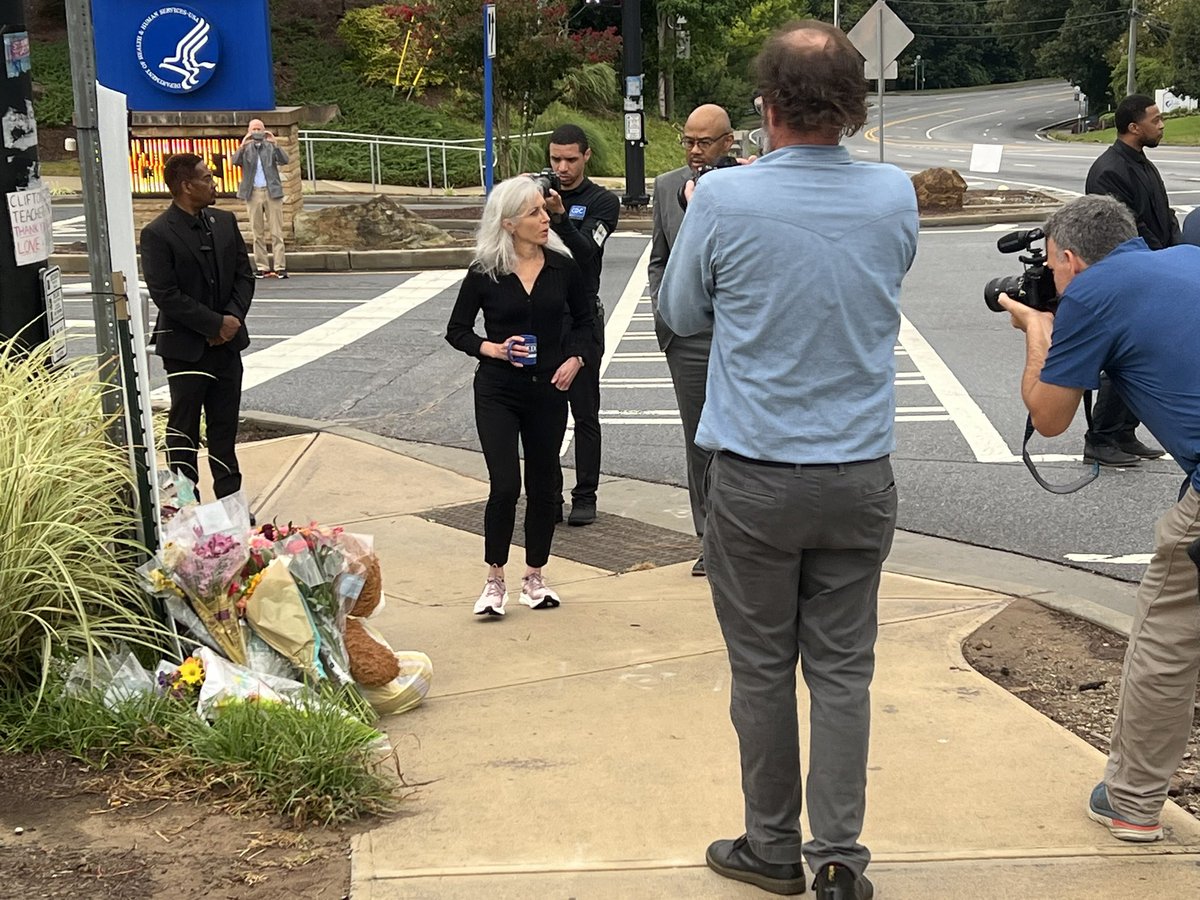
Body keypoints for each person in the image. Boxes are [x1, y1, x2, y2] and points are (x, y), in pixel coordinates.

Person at [659, 21, 918, 900]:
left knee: (762, 668)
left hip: (758, 474)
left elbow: (683, 313)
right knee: (843, 670)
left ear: (764, 108)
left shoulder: (725, 198)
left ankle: (771, 846)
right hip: (857, 472)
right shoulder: (893, 195)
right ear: (852, 105)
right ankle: (839, 856)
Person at [998, 194, 1200, 846]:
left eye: (1053, 268)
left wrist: (1038, 331)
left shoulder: (1091, 295)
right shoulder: (1187, 261)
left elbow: (1051, 417)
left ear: (1067, 258)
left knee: (1167, 646)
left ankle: (1132, 802)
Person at [445, 176, 596, 617]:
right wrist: (491, 348)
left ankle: (535, 576)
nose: (545, 218)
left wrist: (576, 359)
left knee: (544, 484)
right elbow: (457, 330)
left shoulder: (563, 267)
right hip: (497, 389)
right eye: (534, 213)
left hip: (550, 388)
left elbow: (587, 322)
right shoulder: (484, 271)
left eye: (543, 211)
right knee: (506, 484)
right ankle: (495, 580)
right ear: (509, 223)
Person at [648, 104, 736, 577]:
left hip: (740, 335)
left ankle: (742, 536)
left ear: (728, 142)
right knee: (699, 441)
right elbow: (658, 257)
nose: (696, 151)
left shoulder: (746, 184)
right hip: (689, 337)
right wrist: (665, 312)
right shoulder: (666, 187)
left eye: (705, 142)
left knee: (739, 442)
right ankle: (710, 540)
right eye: (688, 141)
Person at [141, 153, 255, 501]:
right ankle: (186, 508)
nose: (213, 183)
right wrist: (213, 323)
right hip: (186, 351)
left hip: (228, 347)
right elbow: (166, 294)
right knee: (183, 431)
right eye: (206, 178)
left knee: (224, 430)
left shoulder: (224, 222)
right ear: (186, 186)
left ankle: (230, 506)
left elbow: (243, 275)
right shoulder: (157, 234)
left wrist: (231, 320)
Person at [1081, 95, 1180, 466]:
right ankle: (1100, 437)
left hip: (1155, 268)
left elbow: (1162, 215)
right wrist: (1160, 260)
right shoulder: (1109, 170)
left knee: (1146, 353)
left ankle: (1124, 431)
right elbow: (1125, 227)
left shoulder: (1142, 164)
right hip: (1128, 274)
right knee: (1126, 356)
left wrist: (1178, 252)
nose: (1162, 124)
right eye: (1155, 120)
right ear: (1134, 127)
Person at [544, 124, 620, 526]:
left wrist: (560, 218)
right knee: (544, 414)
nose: (562, 168)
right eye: (555, 158)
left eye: (570, 159)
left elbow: (588, 251)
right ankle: (549, 495)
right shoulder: (537, 193)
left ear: (586, 156)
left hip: (582, 317)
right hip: (542, 316)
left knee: (585, 412)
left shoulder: (602, 201)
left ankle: (585, 494)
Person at [231, 118, 290, 279]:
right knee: (257, 232)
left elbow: (285, 160)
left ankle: (280, 267)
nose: (257, 133)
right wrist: (242, 145)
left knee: (276, 231)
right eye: (254, 129)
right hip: (253, 192)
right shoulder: (247, 148)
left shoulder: (270, 147)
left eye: (259, 129)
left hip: (272, 192)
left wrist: (275, 144)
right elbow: (234, 161)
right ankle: (262, 266)